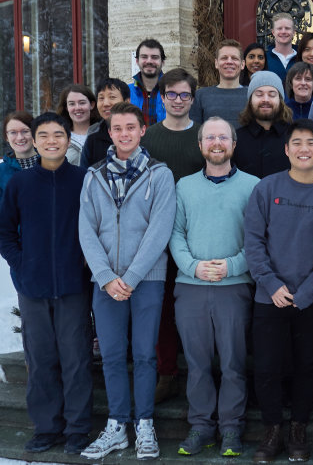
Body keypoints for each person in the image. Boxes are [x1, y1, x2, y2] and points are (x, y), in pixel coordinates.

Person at [244, 119, 313, 462]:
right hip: (268, 297)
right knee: (266, 368)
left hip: (311, 300)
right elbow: (253, 242)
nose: (305, 149)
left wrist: (307, 293)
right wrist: (271, 284)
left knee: (306, 366)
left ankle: (298, 429)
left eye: (311, 143)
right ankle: (272, 429)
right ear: (286, 149)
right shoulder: (266, 188)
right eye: (297, 143)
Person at [79, 102, 176, 460]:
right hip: (105, 282)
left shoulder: (159, 175)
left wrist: (132, 276)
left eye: (130, 127)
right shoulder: (94, 176)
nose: (124, 134)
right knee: (113, 355)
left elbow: (160, 229)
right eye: (117, 128)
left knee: (145, 354)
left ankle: (145, 423)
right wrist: (106, 277)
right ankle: (118, 424)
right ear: (109, 132)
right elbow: (86, 229)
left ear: (142, 130)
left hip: (146, 279)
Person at [0, 112, 92, 455]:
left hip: (73, 285)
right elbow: (5, 231)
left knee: (76, 359)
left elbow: (97, 226)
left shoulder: (83, 180)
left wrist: (85, 263)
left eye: (58, 135)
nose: (51, 141)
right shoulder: (20, 184)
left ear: (68, 141)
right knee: (39, 359)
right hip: (33, 286)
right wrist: (22, 264)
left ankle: (78, 428)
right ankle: (47, 427)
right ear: (35, 142)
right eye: (44, 135)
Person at [170, 117, 259, 457]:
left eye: (223, 137)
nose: (217, 143)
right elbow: (175, 233)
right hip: (191, 286)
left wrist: (233, 266)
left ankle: (231, 428)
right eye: (210, 138)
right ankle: (201, 427)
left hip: (234, 287)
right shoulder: (184, 186)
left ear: (234, 144)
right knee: (197, 364)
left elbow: (258, 239)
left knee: (234, 363)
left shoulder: (253, 186)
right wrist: (193, 267)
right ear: (200, 145)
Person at [141, 67, 205, 405]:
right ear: (161, 98)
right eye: (171, 94)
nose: (178, 100)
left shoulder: (205, 136)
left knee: (195, 309)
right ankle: (167, 372)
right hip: (157, 235)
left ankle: (201, 373)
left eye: (184, 94)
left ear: (192, 99)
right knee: (162, 308)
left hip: (198, 236)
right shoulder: (148, 138)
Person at [234, 71, 293, 179]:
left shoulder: (294, 137)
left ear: (280, 100)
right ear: (250, 100)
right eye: (259, 94)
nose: (265, 100)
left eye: (272, 94)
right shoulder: (236, 140)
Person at [189, 39, 248, 129]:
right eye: (224, 58)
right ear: (216, 63)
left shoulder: (252, 95)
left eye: (234, 58)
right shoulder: (201, 95)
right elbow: (195, 131)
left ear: (242, 64)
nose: (229, 62)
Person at [80, 78, 131, 167]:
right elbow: (84, 173)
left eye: (112, 97)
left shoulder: (139, 134)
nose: (106, 103)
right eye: (101, 98)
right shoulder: (93, 138)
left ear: (127, 102)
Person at [56, 84, 100, 165]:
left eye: (82, 103)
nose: (77, 108)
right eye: (72, 104)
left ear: (92, 105)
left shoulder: (104, 132)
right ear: (66, 108)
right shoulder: (58, 137)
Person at [1, 111, 39, 204]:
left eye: (25, 131)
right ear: (6, 137)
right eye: (13, 132)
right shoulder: (1, 172)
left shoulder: (51, 165)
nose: (20, 137)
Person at [129, 38, 167, 126]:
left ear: (162, 62)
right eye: (144, 57)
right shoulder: (126, 92)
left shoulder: (174, 93)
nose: (149, 61)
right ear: (137, 61)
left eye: (154, 57)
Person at [266, 13, 298, 83]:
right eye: (279, 28)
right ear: (273, 32)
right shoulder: (265, 57)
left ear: (294, 32)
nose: (283, 32)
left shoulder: (302, 57)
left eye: (287, 28)